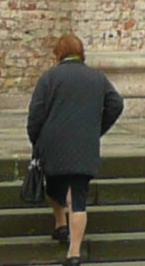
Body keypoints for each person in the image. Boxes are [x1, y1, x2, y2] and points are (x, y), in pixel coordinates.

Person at [26, 34, 122, 263]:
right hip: (83, 145)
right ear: (81, 53)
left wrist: (36, 140)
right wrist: (96, 128)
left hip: (53, 142)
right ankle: (74, 252)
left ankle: (60, 224)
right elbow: (116, 104)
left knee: (54, 184)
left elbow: (36, 115)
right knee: (78, 197)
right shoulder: (97, 78)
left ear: (58, 53)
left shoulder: (50, 78)